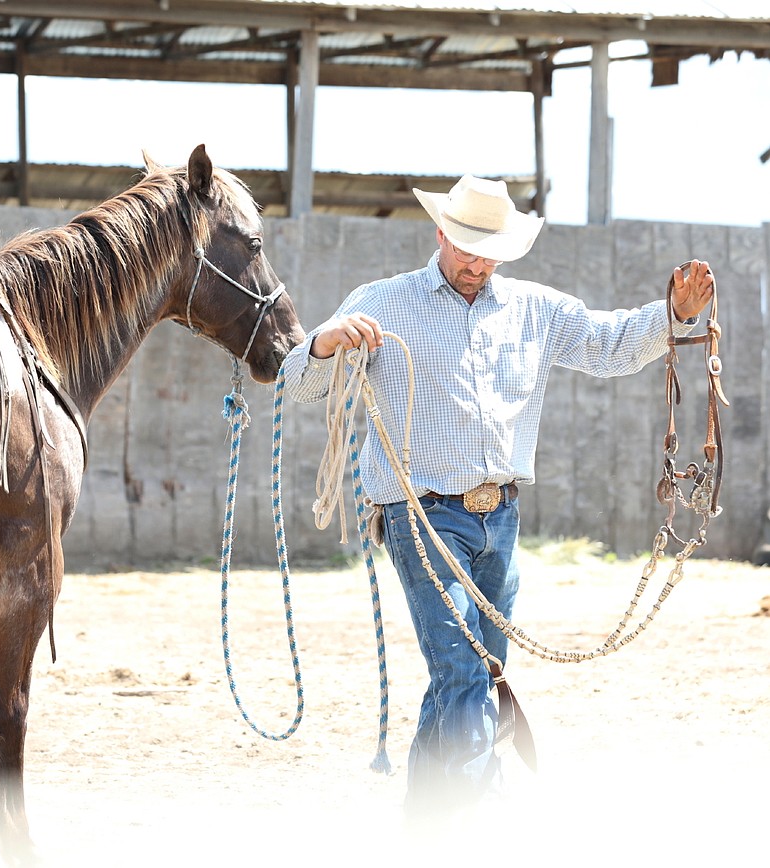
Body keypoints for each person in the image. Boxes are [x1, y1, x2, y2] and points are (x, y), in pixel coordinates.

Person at [282, 174, 715, 819]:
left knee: (473, 677)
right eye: (464, 246)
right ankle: (487, 829)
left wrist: (675, 316)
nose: (475, 262)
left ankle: (425, 832)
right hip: (420, 513)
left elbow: (606, 344)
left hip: (499, 518)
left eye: (489, 252)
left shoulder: (534, 310)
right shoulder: (382, 302)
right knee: (461, 671)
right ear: (440, 234)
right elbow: (300, 383)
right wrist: (323, 343)